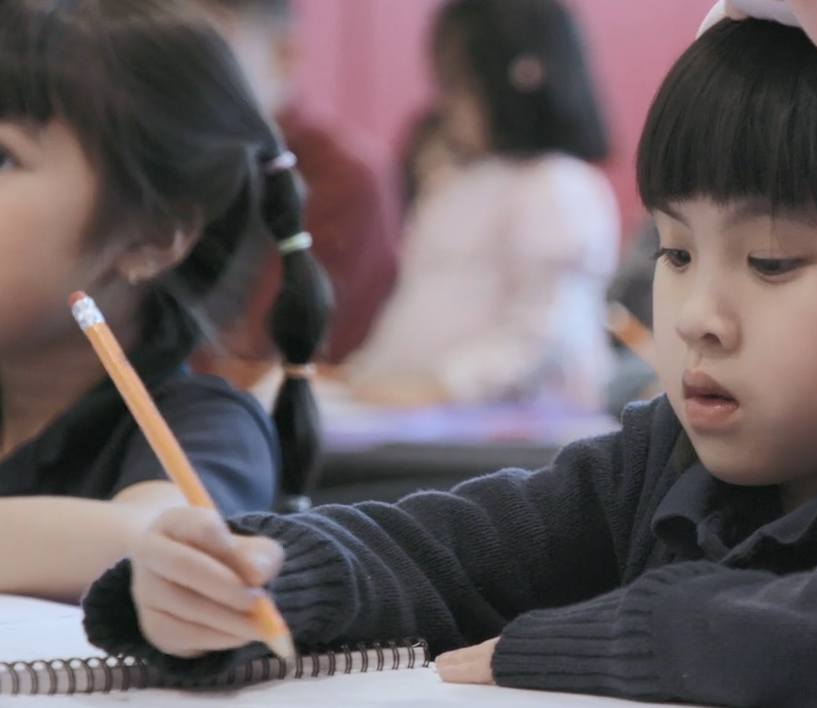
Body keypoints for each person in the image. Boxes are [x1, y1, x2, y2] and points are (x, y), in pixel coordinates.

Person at [80, 0, 817, 705]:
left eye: (772, 262)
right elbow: (446, 552)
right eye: (675, 251)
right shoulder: (662, 465)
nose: (696, 314)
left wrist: (597, 640)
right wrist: (253, 573)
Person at [0, 0, 330, 603]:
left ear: (153, 238)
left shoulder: (206, 426)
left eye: (4, 157)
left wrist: (152, 542)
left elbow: (153, 541)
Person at [338, 0, 619, 412]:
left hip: (524, 425)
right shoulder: (457, 184)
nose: (445, 106)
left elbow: (542, 335)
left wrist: (443, 388)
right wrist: (365, 377)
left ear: (515, 82)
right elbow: (415, 304)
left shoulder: (556, 186)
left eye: (459, 86)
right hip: (421, 414)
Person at [193, 0, 399, 384]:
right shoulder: (173, 162)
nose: (183, 84)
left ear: (284, 54)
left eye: (206, 59)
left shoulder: (341, 176)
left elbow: (271, 357)